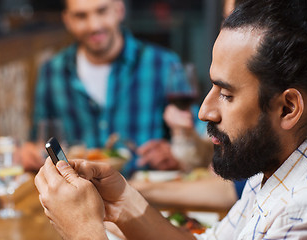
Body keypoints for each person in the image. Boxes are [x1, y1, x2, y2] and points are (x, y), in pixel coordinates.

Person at [35, 0, 307, 239]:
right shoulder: (276, 164)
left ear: (288, 108)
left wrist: (83, 232)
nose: (204, 111)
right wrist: (123, 201)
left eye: (226, 93)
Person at [22, 0, 205, 175]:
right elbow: (40, 140)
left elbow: (197, 140)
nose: (94, 25)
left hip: (146, 194)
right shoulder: (52, 71)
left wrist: (176, 152)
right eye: (81, 16)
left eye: (102, 11)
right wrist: (30, 153)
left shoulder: (162, 64)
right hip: (77, 193)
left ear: (119, 10)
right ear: (67, 20)